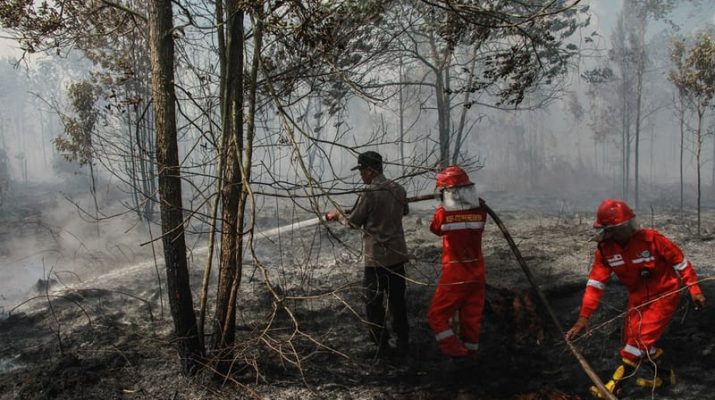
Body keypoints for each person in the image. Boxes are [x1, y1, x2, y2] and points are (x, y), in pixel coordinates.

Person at [566, 198, 706, 398]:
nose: (626, 230)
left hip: (665, 295)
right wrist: (584, 317)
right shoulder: (605, 251)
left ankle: (613, 387)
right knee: (634, 340)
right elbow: (595, 284)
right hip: (638, 298)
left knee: (636, 343)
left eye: (625, 226)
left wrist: (695, 290)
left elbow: (680, 263)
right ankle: (665, 377)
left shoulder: (652, 239)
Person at [325, 151, 410, 359]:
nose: (361, 174)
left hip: (377, 260)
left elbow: (353, 222)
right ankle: (403, 341)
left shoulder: (369, 192)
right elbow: (404, 211)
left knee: (373, 303)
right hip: (398, 256)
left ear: (371, 170)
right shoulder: (398, 189)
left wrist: (337, 216)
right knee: (398, 301)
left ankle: (381, 345)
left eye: (362, 170)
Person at [427, 165, 486, 358]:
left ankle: (457, 353)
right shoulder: (480, 210)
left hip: (455, 275)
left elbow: (435, 229)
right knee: (471, 319)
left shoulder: (443, 214)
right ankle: (472, 354)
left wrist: (441, 206)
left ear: (447, 191)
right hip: (477, 273)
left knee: (436, 316)